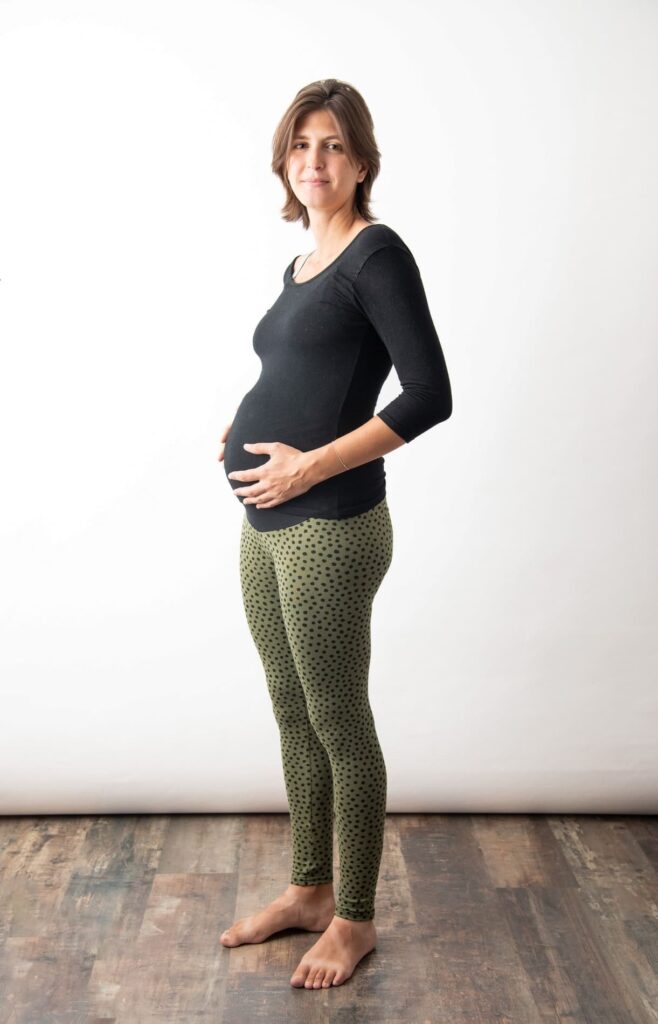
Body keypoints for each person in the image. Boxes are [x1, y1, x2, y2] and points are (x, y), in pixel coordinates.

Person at [217, 78, 452, 990]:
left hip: (330, 526)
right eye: (301, 144)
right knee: (291, 710)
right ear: (285, 158)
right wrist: (241, 425)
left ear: (361, 163)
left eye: (333, 146)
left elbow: (429, 395)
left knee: (339, 722)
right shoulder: (303, 265)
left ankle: (354, 918)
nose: (314, 160)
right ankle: (309, 889)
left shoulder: (375, 255)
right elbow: (305, 375)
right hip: (264, 522)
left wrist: (310, 463)